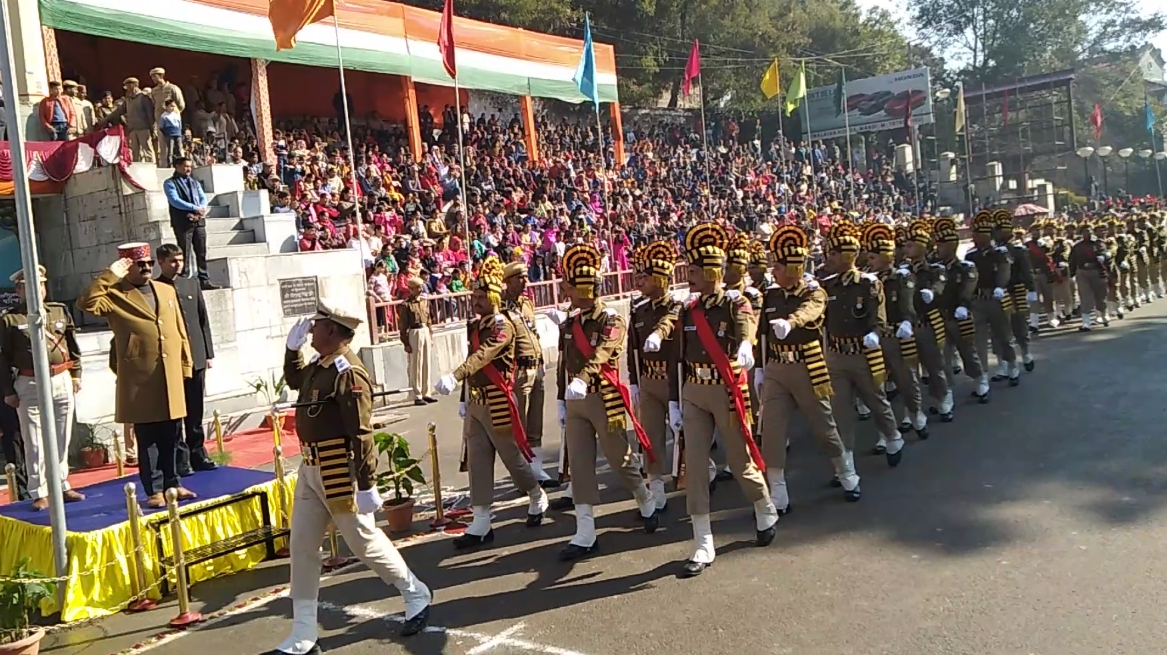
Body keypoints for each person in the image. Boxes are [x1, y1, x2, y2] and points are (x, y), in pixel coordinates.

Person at [276, 301, 431, 653]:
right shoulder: (321, 365)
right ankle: (303, 634)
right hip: (311, 466)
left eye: (316, 325)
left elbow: (361, 433)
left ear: (332, 329)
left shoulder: (349, 372)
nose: (310, 330)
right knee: (302, 546)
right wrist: (291, 350)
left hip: (337, 468)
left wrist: (366, 483)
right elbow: (295, 380)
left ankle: (414, 592)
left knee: (363, 541)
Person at [669, 223, 777, 578]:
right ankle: (702, 540)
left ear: (714, 271)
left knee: (740, 459)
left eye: (696, 271)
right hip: (694, 392)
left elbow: (747, 322)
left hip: (726, 388)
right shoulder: (688, 309)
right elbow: (679, 358)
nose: (690, 276)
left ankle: (764, 506)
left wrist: (746, 344)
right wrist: (674, 401)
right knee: (696, 466)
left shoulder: (736, 302)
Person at [433, 257, 549, 548]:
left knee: (512, 457)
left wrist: (455, 375)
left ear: (495, 297)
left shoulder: (503, 326)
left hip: (498, 400)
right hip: (476, 401)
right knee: (478, 461)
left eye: (482, 297)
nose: (476, 302)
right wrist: (464, 395)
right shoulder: (474, 324)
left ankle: (536, 494)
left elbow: (484, 355)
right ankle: (481, 519)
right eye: (474, 297)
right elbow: (475, 362)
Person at [557, 243, 659, 561]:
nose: (566, 291)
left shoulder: (612, 320)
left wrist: (581, 380)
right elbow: (564, 363)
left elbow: (602, 353)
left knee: (619, 457)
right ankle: (585, 532)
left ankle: (644, 499)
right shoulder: (570, 325)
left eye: (571, 286)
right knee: (580, 462)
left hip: (604, 396)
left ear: (585, 288)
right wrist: (562, 397)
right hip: (576, 401)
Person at [76, 243, 196, 508]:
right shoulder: (115, 294)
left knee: (173, 434)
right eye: (139, 264)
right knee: (149, 437)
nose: (146, 268)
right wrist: (109, 275)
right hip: (140, 377)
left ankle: (173, 484)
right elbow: (86, 303)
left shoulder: (165, 289)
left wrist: (186, 364)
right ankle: (154, 489)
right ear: (126, 267)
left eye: (149, 264)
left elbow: (179, 328)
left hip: (169, 372)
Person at [756, 224, 853, 510]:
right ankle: (778, 491)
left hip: (807, 366)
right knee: (772, 431)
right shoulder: (771, 295)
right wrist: (761, 368)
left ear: (794, 268)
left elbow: (811, 311)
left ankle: (846, 472)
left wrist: (791, 322)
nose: (773, 271)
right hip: (776, 368)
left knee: (823, 425)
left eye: (778, 266)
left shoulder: (814, 292)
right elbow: (762, 332)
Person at [820, 221, 903, 472]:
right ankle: (846, 463)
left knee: (876, 401)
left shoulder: (868, 283)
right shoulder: (827, 285)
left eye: (833, 254)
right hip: (836, 356)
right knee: (840, 411)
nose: (829, 258)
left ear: (847, 256)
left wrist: (875, 335)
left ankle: (892, 436)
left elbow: (878, 317)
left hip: (863, 354)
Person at [0, 266, 84, 510]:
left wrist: (76, 373)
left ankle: (62, 483)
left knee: (61, 435)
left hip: (61, 378)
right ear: (19, 290)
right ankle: (39, 490)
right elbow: (2, 358)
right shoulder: (10, 319)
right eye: (30, 286)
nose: (37, 289)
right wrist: (8, 391)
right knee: (34, 440)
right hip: (29, 382)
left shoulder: (58, 311)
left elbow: (71, 342)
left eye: (41, 284)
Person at [628, 240, 683, 513]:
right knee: (651, 437)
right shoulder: (639, 309)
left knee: (684, 433)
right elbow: (632, 348)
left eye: (646, 277)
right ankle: (656, 488)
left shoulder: (676, 307)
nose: (641, 282)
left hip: (675, 381)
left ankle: (702, 468)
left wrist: (657, 335)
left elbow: (668, 324)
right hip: (649, 381)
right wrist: (635, 383)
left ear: (660, 279)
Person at [863, 222, 928, 444]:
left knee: (905, 379)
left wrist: (907, 322)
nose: (869, 262)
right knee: (877, 387)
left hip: (895, 335)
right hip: (875, 339)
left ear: (887, 257)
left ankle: (915, 413)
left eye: (873, 258)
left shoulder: (902, 277)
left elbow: (907, 305)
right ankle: (886, 432)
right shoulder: (867, 281)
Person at [155, 243, 217, 474]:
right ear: (161, 262)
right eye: (172, 261)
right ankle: (181, 459)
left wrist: (208, 352)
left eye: (180, 260)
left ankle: (198, 453)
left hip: (196, 356)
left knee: (195, 410)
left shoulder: (191, 283)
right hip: (173, 360)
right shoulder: (156, 287)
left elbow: (203, 320)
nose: (178, 264)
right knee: (176, 411)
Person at [500, 260, 554, 487]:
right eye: (520, 278)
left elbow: (534, 336)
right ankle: (522, 474)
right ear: (509, 281)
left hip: (536, 367)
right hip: (518, 371)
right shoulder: (502, 307)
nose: (525, 282)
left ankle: (537, 470)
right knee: (518, 424)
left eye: (525, 277)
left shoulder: (526, 304)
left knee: (535, 422)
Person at [902, 219, 953, 421]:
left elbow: (940, 285)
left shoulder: (935, 269)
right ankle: (912, 410)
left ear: (922, 247)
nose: (906, 248)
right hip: (906, 326)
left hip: (926, 324)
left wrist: (932, 293)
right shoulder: (901, 272)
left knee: (934, 366)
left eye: (910, 245)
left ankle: (942, 399)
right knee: (908, 372)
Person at [965, 210, 1019, 385]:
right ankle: (983, 377)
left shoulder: (1000, 253)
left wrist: (1000, 287)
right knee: (978, 340)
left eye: (980, 234)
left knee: (1003, 335)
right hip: (978, 300)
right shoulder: (970, 256)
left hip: (996, 297)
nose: (975, 237)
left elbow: (1004, 271)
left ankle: (1011, 365)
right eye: (975, 233)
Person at [163, 157, 219, 290]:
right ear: (177, 166)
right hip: (182, 222)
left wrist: (201, 209)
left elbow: (202, 198)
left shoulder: (194, 183)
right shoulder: (170, 183)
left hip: (198, 222)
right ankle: (184, 279)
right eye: (185, 166)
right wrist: (194, 208)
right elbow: (174, 200)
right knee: (184, 252)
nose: (188, 169)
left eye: (189, 166)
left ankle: (204, 280)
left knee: (201, 252)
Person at [397, 277, 435, 406]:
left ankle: (427, 392)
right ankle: (417, 394)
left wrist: (431, 334)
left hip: (424, 330)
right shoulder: (406, 305)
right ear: (411, 289)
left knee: (426, 363)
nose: (420, 290)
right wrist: (406, 342)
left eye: (421, 287)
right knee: (416, 364)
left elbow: (429, 319)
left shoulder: (424, 301)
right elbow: (403, 325)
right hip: (414, 331)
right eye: (417, 288)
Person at [101, 77, 156, 163]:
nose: (127, 89)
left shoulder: (143, 98)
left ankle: (152, 166)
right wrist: (106, 119)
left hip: (143, 128)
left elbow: (150, 114)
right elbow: (119, 111)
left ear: (135, 85)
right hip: (132, 129)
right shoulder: (128, 99)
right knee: (135, 151)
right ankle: (137, 168)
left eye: (128, 86)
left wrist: (152, 127)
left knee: (147, 150)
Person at [1069, 221, 1111, 332]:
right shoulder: (1077, 246)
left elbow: (1104, 253)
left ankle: (1103, 315)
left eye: (1089, 230)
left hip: (1097, 272)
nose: (1087, 233)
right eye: (1084, 231)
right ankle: (1086, 323)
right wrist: (1071, 274)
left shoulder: (1098, 243)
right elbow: (1072, 260)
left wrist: (1103, 256)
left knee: (1100, 295)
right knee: (1085, 296)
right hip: (1082, 272)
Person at [149, 67, 186, 166]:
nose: (153, 79)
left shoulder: (172, 88)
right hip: (161, 122)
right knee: (163, 145)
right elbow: (154, 104)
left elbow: (181, 105)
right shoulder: (154, 91)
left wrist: (173, 114)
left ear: (161, 76)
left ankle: (182, 164)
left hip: (173, 122)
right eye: (152, 77)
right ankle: (166, 166)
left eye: (155, 76)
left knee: (177, 145)